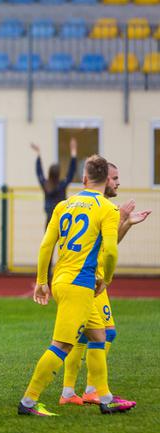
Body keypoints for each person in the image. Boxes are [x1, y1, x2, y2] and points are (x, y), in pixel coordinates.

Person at [18, 155, 135, 416]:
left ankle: (105, 398)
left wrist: (41, 281)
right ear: (105, 180)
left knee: (99, 336)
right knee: (62, 344)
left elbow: (46, 245)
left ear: (83, 179)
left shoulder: (64, 205)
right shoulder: (106, 209)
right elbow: (111, 252)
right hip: (80, 284)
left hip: (61, 279)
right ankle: (28, 402)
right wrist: (107, 279)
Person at [59, 163, 151, 406]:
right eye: (115, 178)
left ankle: (71, 391)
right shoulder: (103, 207)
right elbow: (106, 250)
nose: (118, 182)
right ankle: (92, 391)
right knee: (102, 333)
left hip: (88, 277)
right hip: (88, 279)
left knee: (83, 336)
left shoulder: (99, 207)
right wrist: (120, 218)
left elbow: (108, 245)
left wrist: (127, 223)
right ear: (103, 180)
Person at [32, 138, 77, 228]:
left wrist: (38, 154)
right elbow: (71, 173)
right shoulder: (61, 185)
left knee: (49, 241)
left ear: (49, 173)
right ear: (59, 174)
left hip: (49, 220)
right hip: (62, 220)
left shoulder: (46, 185)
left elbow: (39, 172)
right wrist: (73, 152)